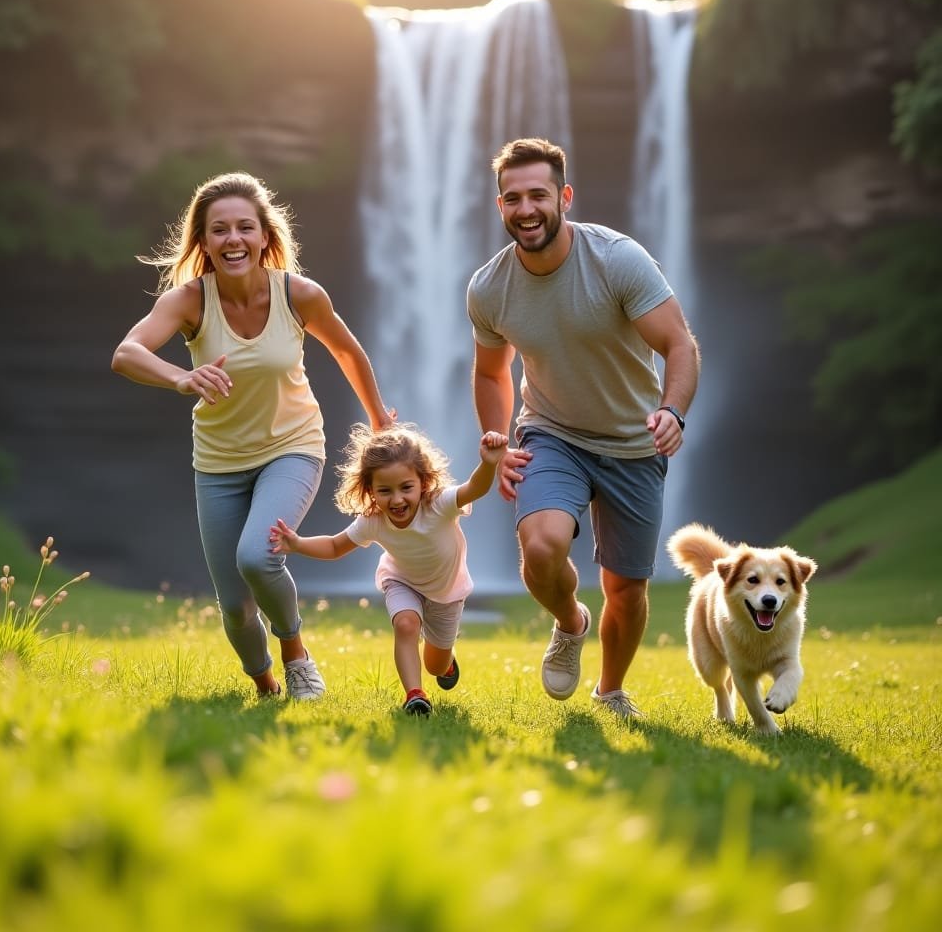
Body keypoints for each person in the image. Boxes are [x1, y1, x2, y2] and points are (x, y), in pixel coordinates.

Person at [112, 172, 394, 701]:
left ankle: (296, 654)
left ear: (266, 235)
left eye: (245, 227)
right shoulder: (190, 301)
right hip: (218, 463)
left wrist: (379, 418)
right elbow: (125, 353)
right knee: (235, 605)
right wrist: (181, 376)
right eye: (220, 230)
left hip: (293, 446)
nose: (233, 239)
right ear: (203, 241)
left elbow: (348, 351)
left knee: (257, 557)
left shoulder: (300, 295)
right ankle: (265, 686)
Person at [466, 137, 700, 719]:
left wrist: (671, 411)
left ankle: (610, 689)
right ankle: (570, 622)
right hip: (553, 433)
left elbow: (679, 344)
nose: (526, 209)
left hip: (633, 441)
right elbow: (491, 372)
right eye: (512, 198)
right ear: (500, 206)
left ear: (564, 196)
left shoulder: (618, 259)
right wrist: (497, 441)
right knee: (541, 546)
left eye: (538, 195)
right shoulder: (488, 288)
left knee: (626, 589)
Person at [268, 423, 508, 715]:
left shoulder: (439, 504)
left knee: (436, 664)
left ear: (423, 481)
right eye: (385, 491)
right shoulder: (373, 520)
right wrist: (298, 544)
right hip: (402, 581)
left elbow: (475, 489)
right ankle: (415, 695)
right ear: (370, 491)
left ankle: (445, 662)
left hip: (447, 591)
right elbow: (334, 546)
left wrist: (488, 463)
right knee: (405, 624)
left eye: (406, 488)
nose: (396, 500)